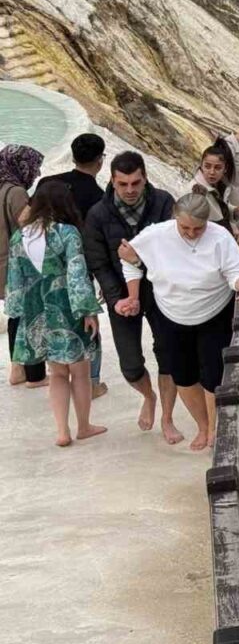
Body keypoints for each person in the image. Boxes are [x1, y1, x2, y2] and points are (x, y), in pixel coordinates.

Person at [118, 193, 239, 452]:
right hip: (171, 315)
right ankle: (203, 426)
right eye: (185, 228)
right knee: (183, 376)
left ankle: (216, 432)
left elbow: (238, 271)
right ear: (175, 218)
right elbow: (129, 261)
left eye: (198, 228)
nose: (192, 233)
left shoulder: (219, 236)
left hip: (214, 313)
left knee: (214, 376)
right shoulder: (155, 235)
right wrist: (133, 295)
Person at [83, 152, 181, 442]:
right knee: (130, 363)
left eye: (135, 183)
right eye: (122, 184)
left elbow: (175, 248)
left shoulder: (163, 203)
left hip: (161, 290)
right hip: (121, 295)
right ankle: (147, 395)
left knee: (168, 356)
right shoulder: (98, 215)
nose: (129, 190)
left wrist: (142, 260)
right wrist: (117, 299)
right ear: (111, 181)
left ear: (145, 178)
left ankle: (167, 417)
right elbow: (98, 262)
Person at [5, 180, 103, 446]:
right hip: (66, 307)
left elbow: (13, 281)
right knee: (80, 371)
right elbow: (76, 273)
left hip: (36, 311)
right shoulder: (67, 233)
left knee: (57, 373)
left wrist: (17, 314)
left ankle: (62, 431)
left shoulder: (19, 237)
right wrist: (88, 311)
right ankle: (83, 426)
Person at [42, 134, 108, 396]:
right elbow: (97, 240)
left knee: (52, 321)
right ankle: (91, 382)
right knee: (87, 323)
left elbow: (29, 219)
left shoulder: (49, 183)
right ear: (100, 160)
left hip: (44, 268)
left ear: (73, 155)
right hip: (78, 267)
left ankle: (56, 375)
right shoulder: (97, 196)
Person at [2, 144, 48, 388]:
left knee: (16, 315)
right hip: (18, 265)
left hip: (4, 263)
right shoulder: (17, 192)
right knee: (29, 314)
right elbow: (29, 230)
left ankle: (17, 368)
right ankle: (33, 374)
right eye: (33, 166)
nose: (36, 172)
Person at [191, 142, 239, 268]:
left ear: (225, 169)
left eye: (217, 168)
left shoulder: (212, 187)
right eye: (207, 166)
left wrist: (233, 210)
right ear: (201, 166)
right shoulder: (195, 191)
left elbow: (216, 208)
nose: (211, 172)